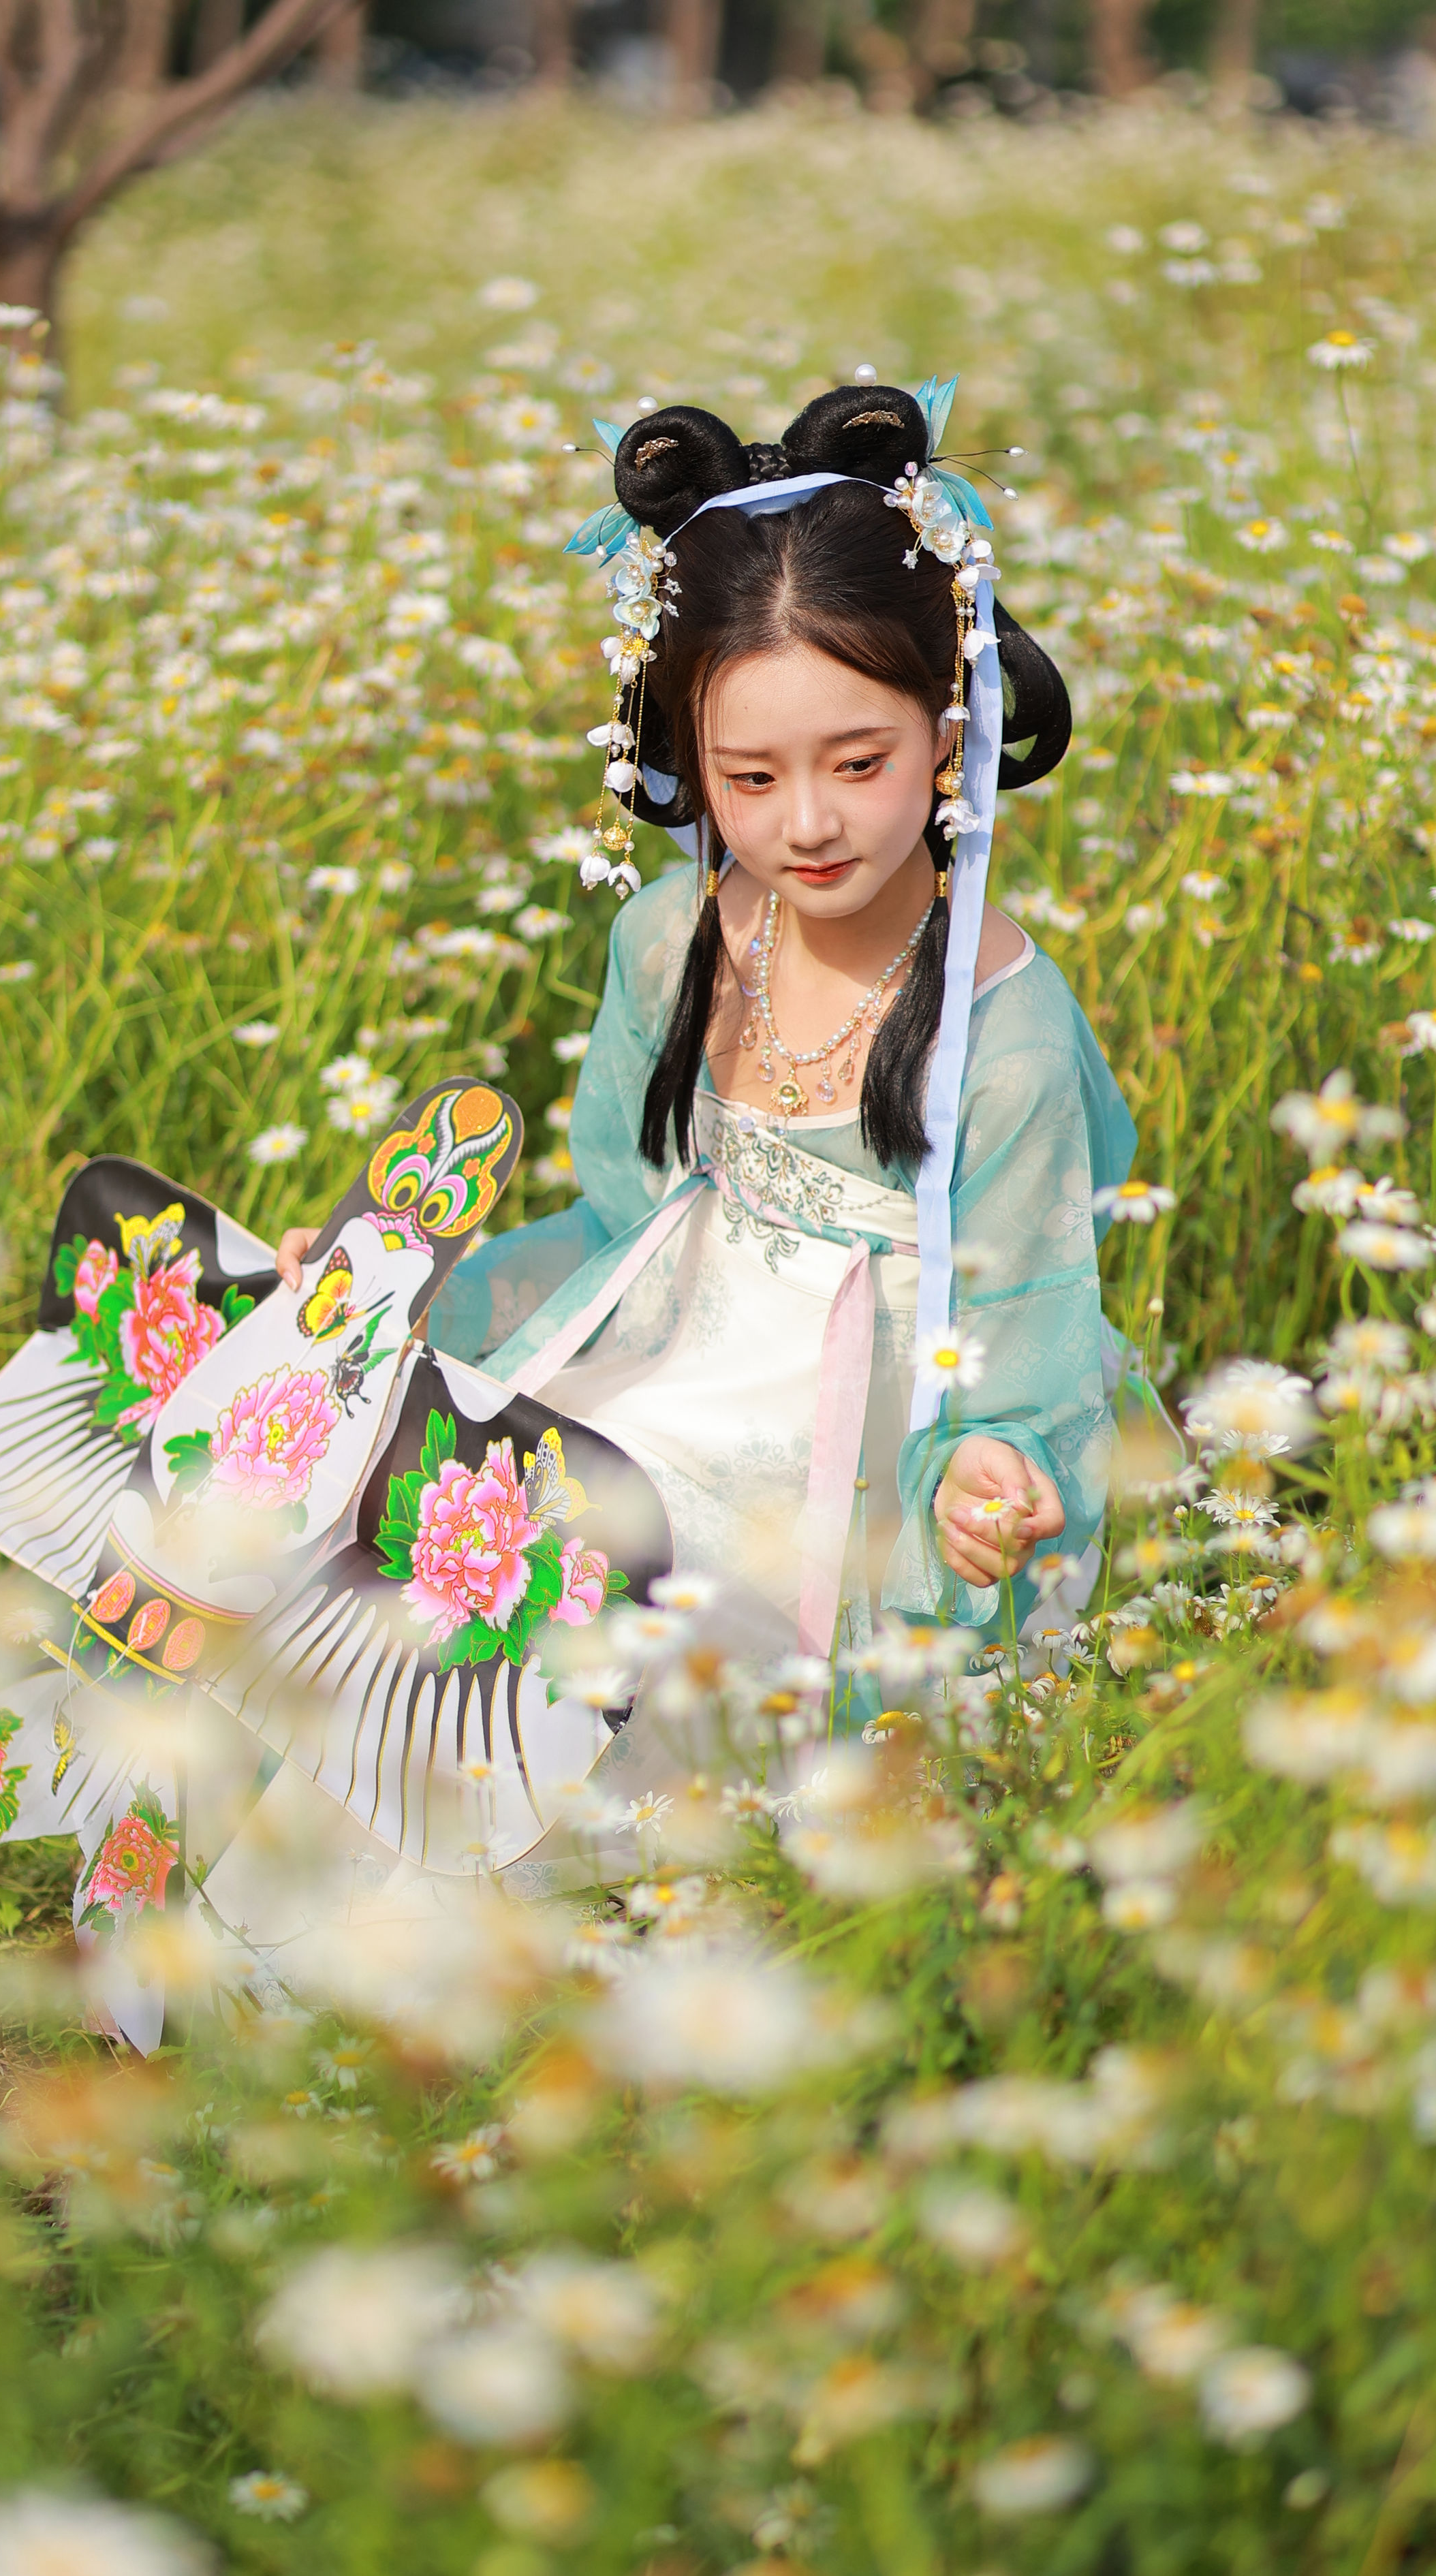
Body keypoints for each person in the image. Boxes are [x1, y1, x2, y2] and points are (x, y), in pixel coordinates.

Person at [278, 380, 1140, 1691]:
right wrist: (398, 1295)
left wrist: (987, 1465)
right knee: (422, 1539)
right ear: (692, 753)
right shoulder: (673, 940)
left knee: (589, 1613)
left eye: (861, 764)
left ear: (949, 728)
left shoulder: (998, 1029)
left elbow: (1027, 1321)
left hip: (886, 1426)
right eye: (753, 777)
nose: (808, 823)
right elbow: (619, 1232)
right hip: (678, 1352)